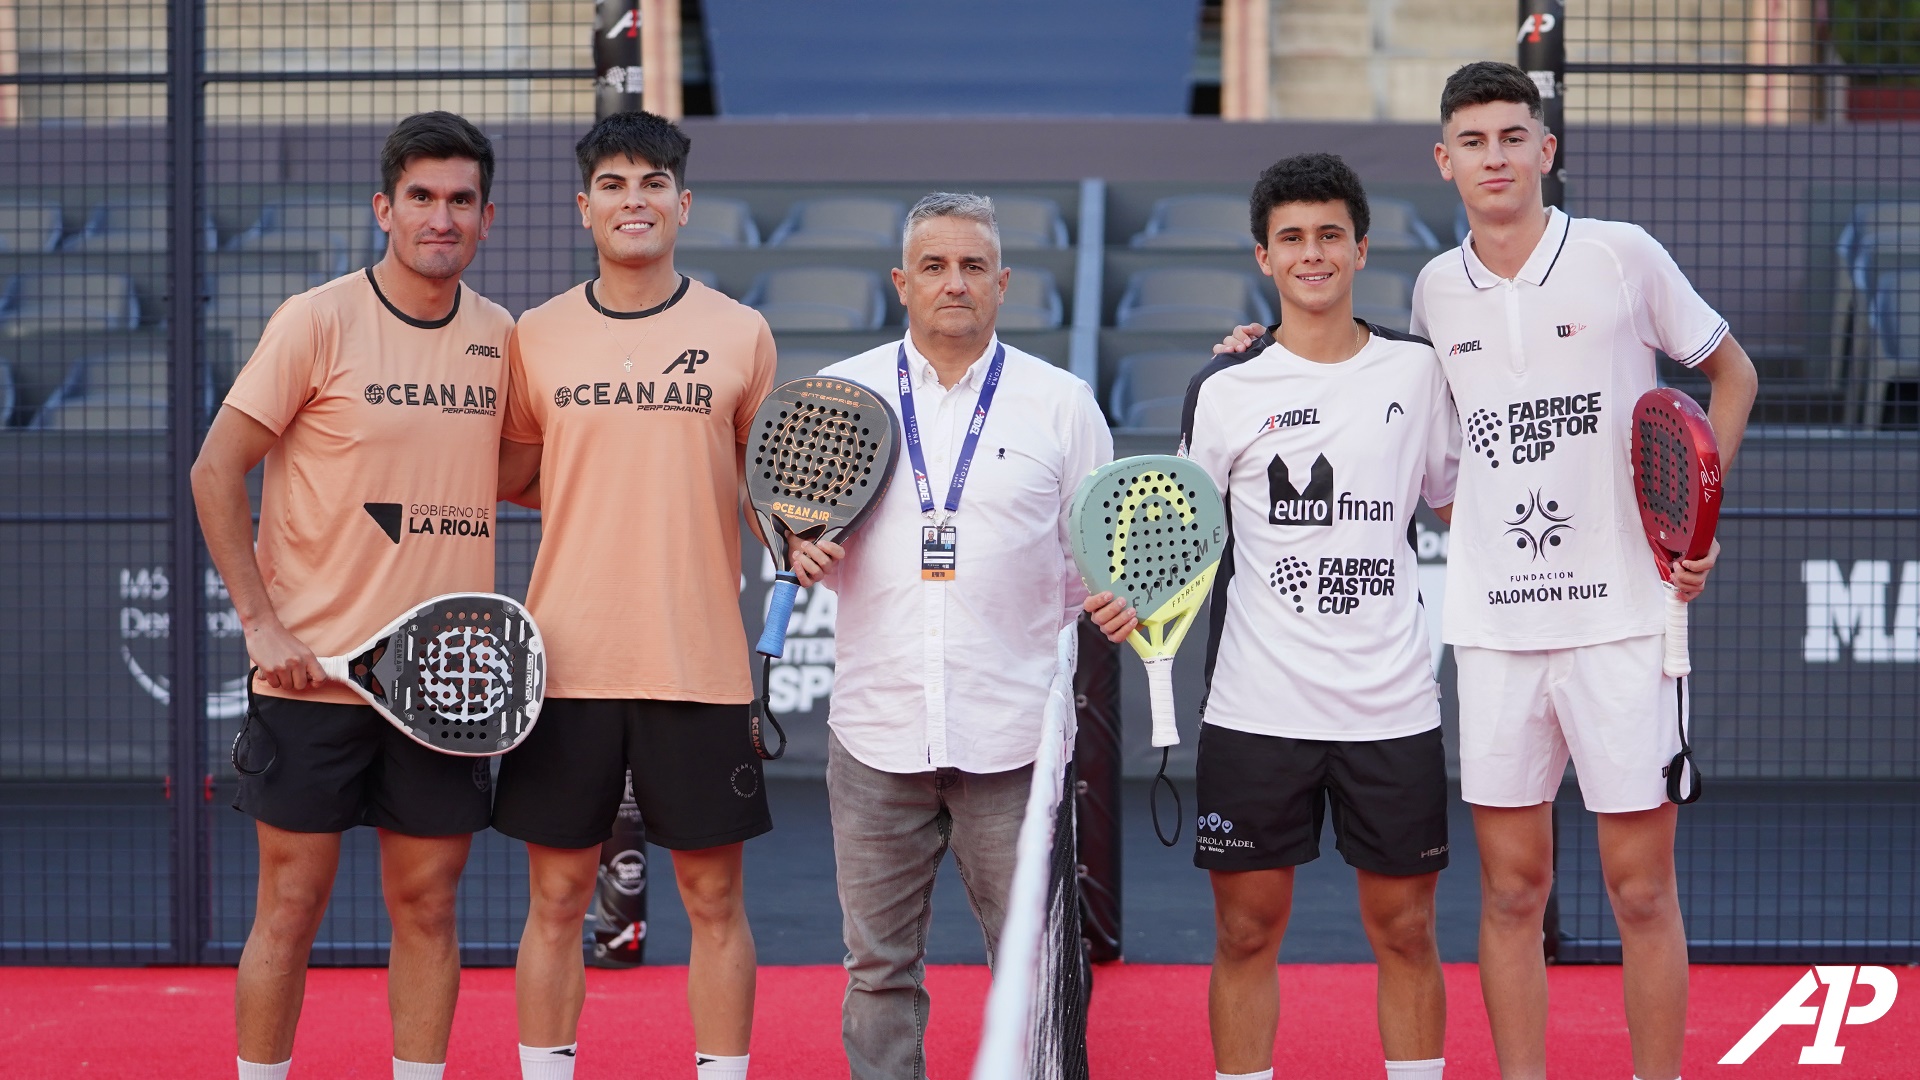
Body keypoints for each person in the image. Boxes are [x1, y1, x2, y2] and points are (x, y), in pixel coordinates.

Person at [1216, 63, 1761, 1080]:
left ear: (1545, 150)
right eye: (1474, 142)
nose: (1496, 157)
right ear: (1445, 161)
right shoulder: (1433, 291)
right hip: (1496, 631)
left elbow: (1732, 371)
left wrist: (1695, 516)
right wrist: (1251, 356)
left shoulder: (1620, 256)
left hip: (1624, 624)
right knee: (1512, 894)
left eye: (1515, 137)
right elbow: (1436, 455)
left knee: (1642, 892)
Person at [1092, 155, 1457, 1080]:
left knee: (1408, 930)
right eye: (1292, 238)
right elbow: (1180, 540)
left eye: (1330, 234)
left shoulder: (1419, 374)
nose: (1313, 254)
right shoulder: (1224, 389)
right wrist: (1126, 596)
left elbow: (1459, 503)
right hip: (1257, 711)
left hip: (1392, 706)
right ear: (1264, 256)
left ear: (1362, 248)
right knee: (1246, 932)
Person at [190, 112, 514, 1080]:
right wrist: (261, 620)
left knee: (429, 904)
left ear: (488, 218)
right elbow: (217, 471)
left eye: (460, 200)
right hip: (310, 680)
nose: (441, 217)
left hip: (440, 690)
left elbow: (538, 471)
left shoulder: (501, 338)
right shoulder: (316, 319)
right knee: (289, 907)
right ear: (385, 208)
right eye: (421, 197)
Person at [783, 192, 1112, 1080]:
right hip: (874, 732)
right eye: (934, 266)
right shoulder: (841, 398)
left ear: (1003, 284)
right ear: (901, 282)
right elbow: (799, 527)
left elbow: (1091, 567)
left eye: (973, 267)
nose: (954, 283)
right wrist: (799, 547)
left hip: (1012, 737)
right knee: (878, 971)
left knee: (1037, 972)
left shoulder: (1062, 405)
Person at [491, 111, 777, 1080]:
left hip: (697, 662)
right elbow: (522, 468)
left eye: (653, 183)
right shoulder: (537, 334)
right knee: (558, 898)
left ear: (684, 205)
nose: (634, 200)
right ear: (584, 208)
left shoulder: (742, 333)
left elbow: (763, 489)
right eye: (613, 185)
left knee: (712, 900)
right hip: (564, 662)